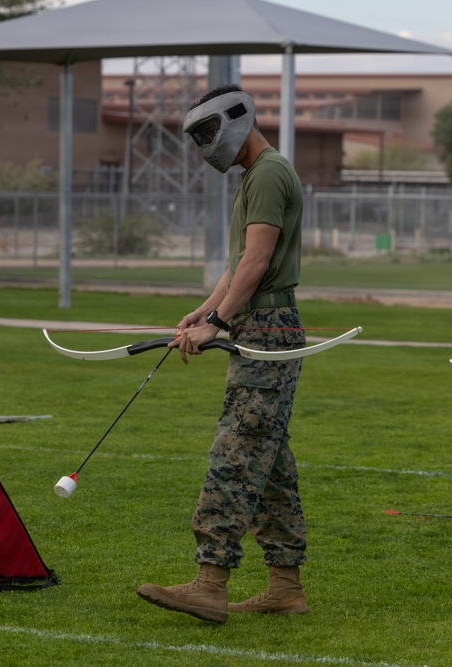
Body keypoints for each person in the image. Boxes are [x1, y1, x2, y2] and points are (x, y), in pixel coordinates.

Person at [136, 85, 308, 623]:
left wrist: (218, 324)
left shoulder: (271, 173)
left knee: (234, 456)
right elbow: (237, 268)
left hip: (268, 328)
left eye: (208, 132)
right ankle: (285, 586)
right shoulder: (257, 176)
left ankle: (210, 583)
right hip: (257, 324)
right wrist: (203, 312)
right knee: (269, 461)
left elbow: (257, 264)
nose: (205, 145)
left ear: (238, 118)